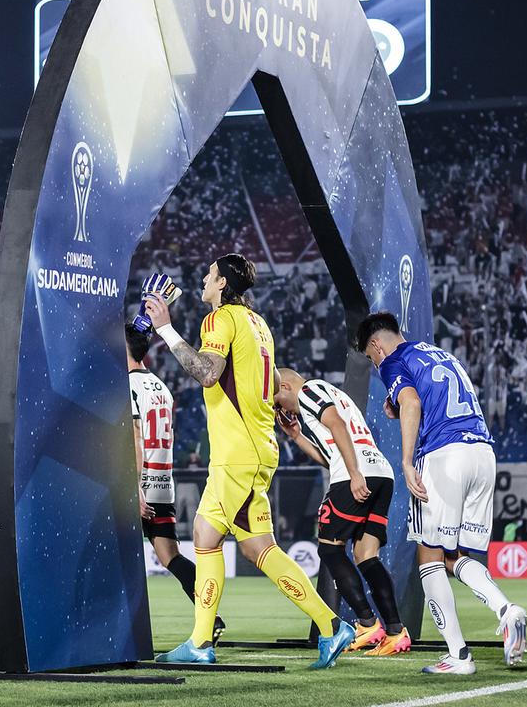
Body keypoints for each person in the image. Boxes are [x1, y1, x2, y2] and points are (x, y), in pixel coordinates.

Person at [146, 254, 353, 668]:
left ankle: (201, 642)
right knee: (261, 548)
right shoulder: (259, 324)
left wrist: (166, 330)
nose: (204, 279)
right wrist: (274, 408)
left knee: (205, 537)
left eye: (209, 274)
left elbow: (207, 373)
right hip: (260, 448)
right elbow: (274, 380)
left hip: (236, 453)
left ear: (222, 283)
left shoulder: (219, 318)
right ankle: (331, 624)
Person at [357, 311, 527, 673]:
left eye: (372, 359)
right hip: (483, 453)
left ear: (376, 345)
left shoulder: (392, 360)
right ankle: (506, 610)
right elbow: (425, 398)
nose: (376, 365)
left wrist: (406, 461)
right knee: (457, 555)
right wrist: (399, 404)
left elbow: (413, 403)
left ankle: (458, 656)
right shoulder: (439, 354)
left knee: (429, 557)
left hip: (444, 456)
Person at [274, 368, 411, 656]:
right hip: (381, 472)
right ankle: (396, 632)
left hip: (356, 474)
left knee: (330, 551)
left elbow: (336, 425)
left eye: (276, 400)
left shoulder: (308, 392)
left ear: (285, 386)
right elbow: (330, 455)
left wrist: (353, 473)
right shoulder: (334, 393)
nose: (279, 408)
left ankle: (367, 624)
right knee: (365, 555)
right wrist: (297, 436)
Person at [125, 324, 225, 642]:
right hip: (163, 480)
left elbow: (136, 437)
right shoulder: (161, 387)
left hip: (138, 482)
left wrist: (133, 486)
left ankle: (117, 631)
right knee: (170, 556)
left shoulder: (126, 386)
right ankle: (211, 617)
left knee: (115, 555)